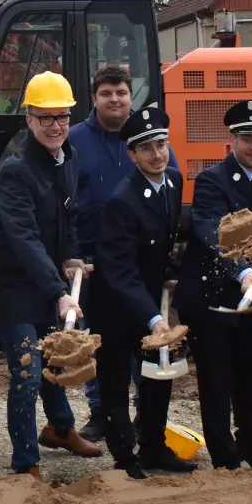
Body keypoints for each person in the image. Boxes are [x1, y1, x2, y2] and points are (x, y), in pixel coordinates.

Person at [0, 71, 103, 478]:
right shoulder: (15, 170)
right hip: (11, 283)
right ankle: (25, 463)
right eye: (45, 117)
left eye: (62, 116)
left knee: (56, 360)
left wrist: (71, 257)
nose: (55, 125)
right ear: (28, 119)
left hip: (46, 276)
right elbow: (23, 236)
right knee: (29, 369)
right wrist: (58, 291)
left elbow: (68, 217)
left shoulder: (67, 157)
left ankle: (61, 429)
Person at [68, 66, 178, 441]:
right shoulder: (75, 140)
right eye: (106, 93)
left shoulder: (154, 142)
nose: (114, 99)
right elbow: (66, 200)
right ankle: (102, 412)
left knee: (144, 345)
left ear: (132, 96)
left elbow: (172, 202)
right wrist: (73, 253)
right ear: (94, 98)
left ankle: (141, 421)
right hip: (91, 263)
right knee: (103, 347)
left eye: (121, 92)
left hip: (138, 265)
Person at [174, 99, 252, 471]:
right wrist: (243, 271)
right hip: (210, 299)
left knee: (245, 377)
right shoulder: (211, 180)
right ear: (232, 141)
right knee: (216, 382)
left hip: (246, 298)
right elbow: (211, 233)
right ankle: (225, 458)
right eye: (248, 138)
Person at [85, 106, 190, 478]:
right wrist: (154, 317)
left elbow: (167, 239)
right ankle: (124, 455)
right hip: (116, 305)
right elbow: (119, 270)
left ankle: (154, 447)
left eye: (161, 145)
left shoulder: (174, 181)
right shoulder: (122, 200)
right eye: (146, 148)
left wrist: (172, 273)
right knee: (115, 380)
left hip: (151, 298)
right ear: (132, 155)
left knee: (158, 375)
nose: (157, 154)